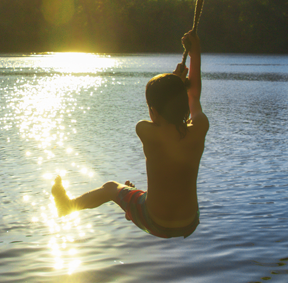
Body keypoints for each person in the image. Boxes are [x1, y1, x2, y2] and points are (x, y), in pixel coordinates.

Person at [51, 30, 208, 238]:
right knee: (139, 195)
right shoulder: (199, 128)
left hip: (154, 221)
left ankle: (67, 206)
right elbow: (194, 95)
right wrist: (195, 53)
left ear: (153, 109)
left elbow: (158, 121)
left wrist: (174, 79)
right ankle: (131, 206)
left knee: (111, 189)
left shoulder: (145, 131)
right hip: (189, 223)